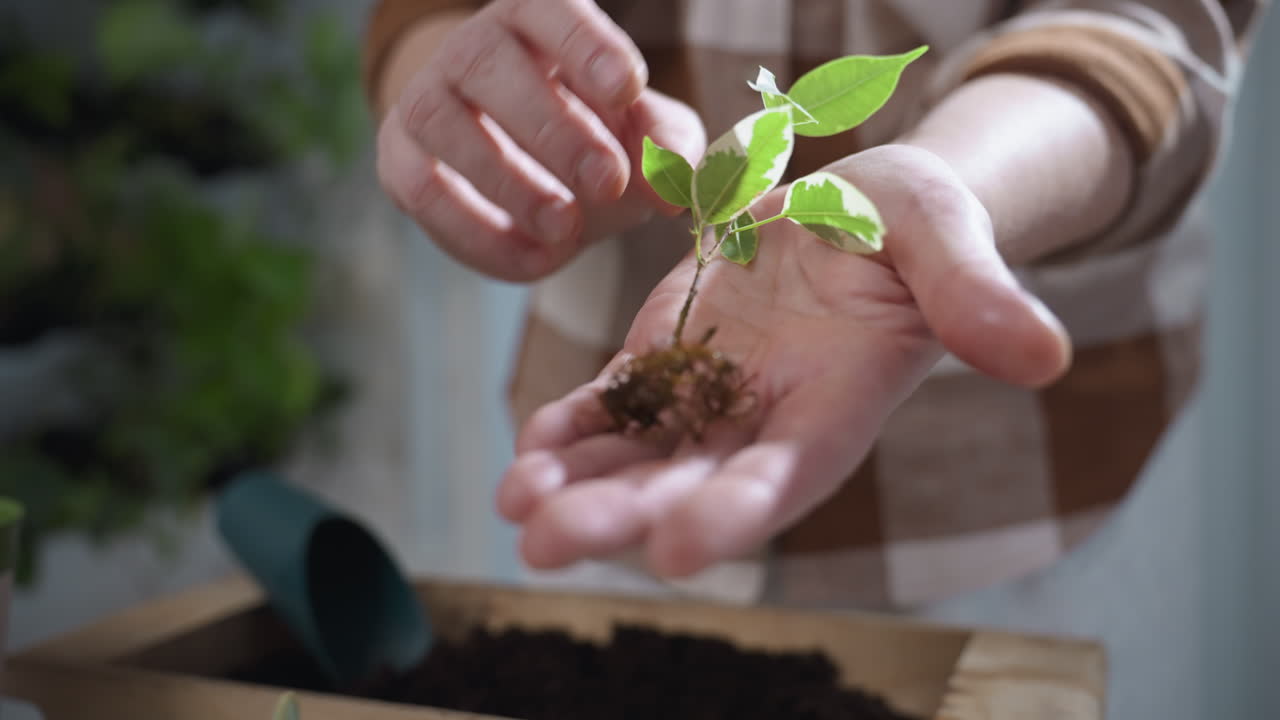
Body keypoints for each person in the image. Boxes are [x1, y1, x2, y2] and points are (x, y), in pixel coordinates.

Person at [362, 0, 1266, 610]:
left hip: (1018, 498)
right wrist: (474, 105)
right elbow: (431, 19)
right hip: (619, 467)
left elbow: (1155, 30)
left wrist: (952, 183)